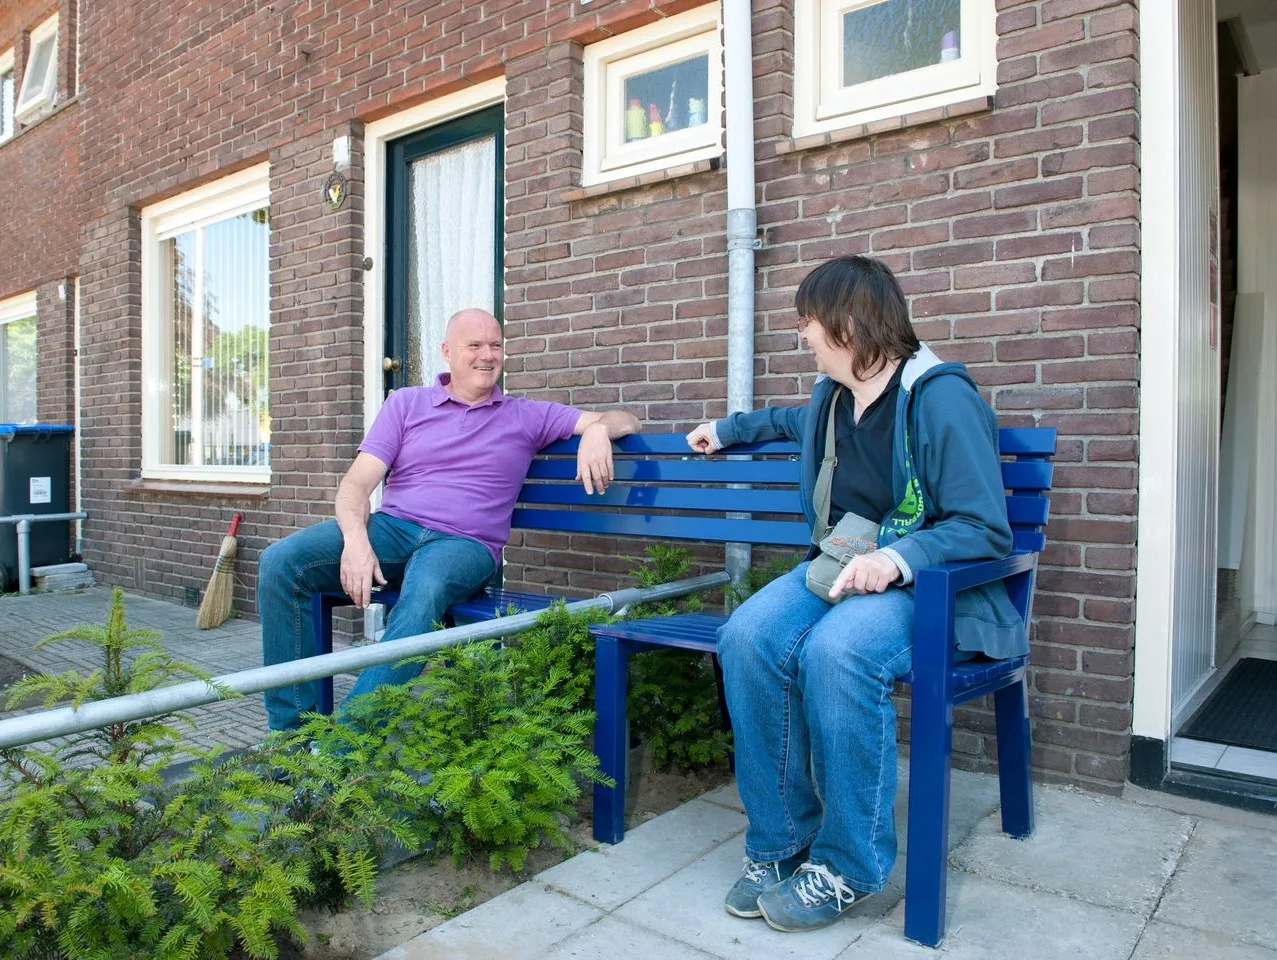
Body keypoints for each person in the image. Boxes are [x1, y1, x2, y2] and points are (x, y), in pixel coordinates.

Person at [685, 255, 1022, 933]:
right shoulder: (835, 397)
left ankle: (848, 865)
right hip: (839, 563)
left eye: (808, 320)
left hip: (929, 586)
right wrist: (726, 430)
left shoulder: (939, 397)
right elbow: (787, 420)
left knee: (838, 652)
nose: (802, 333)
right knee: (745, 636)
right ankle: (781, 843)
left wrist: (898, 559)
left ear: (847, 323)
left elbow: (984, 528)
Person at [259, 307, 641, 733]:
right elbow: (355, 485)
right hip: (394, 529)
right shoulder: (406, 404)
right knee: (281, 563)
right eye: (474, 345)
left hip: (465, 544)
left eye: (495, 345)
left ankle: (340, 751)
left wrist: (596, 430)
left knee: (425, 590)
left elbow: (627, 420)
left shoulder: (526, 415)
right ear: (447, 352)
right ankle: (290, 739)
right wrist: (356, 540)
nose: (487, 355)